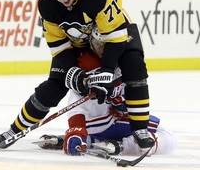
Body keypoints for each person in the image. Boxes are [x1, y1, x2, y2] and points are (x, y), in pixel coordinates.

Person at [0, 0, 155, 152]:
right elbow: (59, 48)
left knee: (135, 68)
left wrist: (107, 71)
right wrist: (75, 74)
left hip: (116, 34)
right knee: (54, 86)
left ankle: (140, 130)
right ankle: (14, 130)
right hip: (80, 44)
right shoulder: (47, 5)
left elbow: (116, 38)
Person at [34, 28, 177, 156]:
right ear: (91, 43)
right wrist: (77, 129)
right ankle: (121, 147)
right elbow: (75, 102)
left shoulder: (128, 61)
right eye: (98, 44)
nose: (103, 50)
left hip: (109, 123)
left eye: (107, 45)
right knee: (167, 137)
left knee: (164, 134)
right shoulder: (87, 65)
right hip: (100, 123)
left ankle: (87, 140)